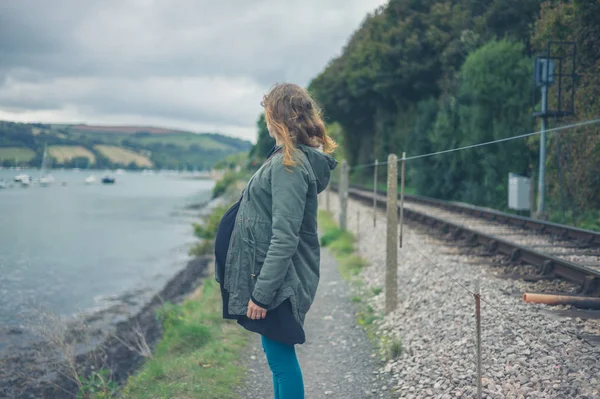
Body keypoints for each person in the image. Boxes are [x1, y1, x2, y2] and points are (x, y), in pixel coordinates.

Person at [215, 82, 338, 398]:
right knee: (278, 361)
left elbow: (285, 238)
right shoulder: (286, 159)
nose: (266, 120)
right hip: (273, 278)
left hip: (279, 282)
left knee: (281, 363)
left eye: (268, 112)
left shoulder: (289, 165)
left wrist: (262, 294)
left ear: (278, 118)